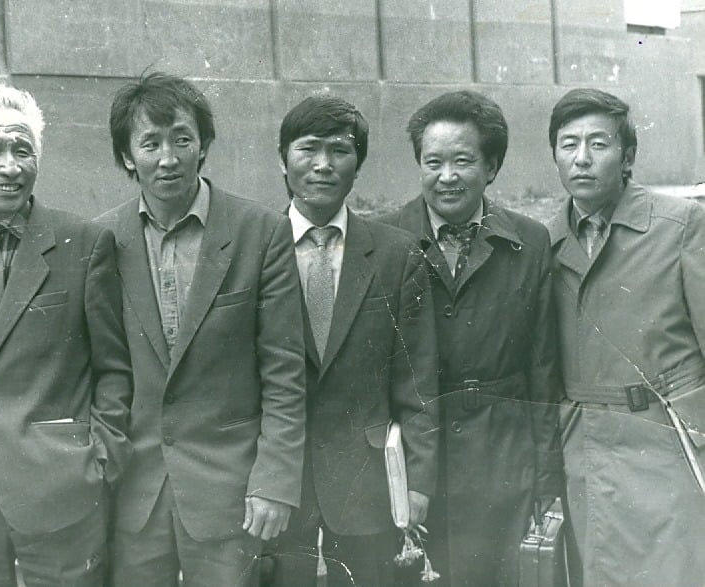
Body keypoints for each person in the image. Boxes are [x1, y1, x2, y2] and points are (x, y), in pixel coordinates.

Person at [0, 84, 132, 587]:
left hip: (61, 489)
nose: (11, 167)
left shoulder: (83, 244)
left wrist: (100, 461)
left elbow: (114, 368)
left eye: (23, 150)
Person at [96, 72, 306, 587]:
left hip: (231, 491)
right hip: (136, 493)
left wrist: (274, 481)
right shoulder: (102, 239)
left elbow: (284, 372)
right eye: (150, 144)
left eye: (182, 140)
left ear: (204, 146)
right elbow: (103, 367)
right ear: (127, 156)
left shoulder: (260, 232)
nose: (168, 158)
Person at [380, 90, 563, 587]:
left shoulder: (529, 242)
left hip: (504, 464)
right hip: (416, 469)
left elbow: (543, 371)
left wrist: (546, 479)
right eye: (432, 162)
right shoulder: (385, 241)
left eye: (462, 161)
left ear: (492, 166)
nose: (447, 177)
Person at [266, 96, 440, 587]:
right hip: (278, 481)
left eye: (339, 151)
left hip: (369, 482)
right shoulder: (253, 247)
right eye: (308, 149)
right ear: (282, 159)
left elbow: (418, 380)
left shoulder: (396, 255)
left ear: (358, 165)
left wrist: (419, 482)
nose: (323, 164)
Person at [546, 88, 705, 587]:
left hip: (670, 443)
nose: (582, 158)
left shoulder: (681, 226)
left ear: (628, 156)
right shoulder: (542, 244)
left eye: (599, 144)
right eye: (568, 145)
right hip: (587, 451)